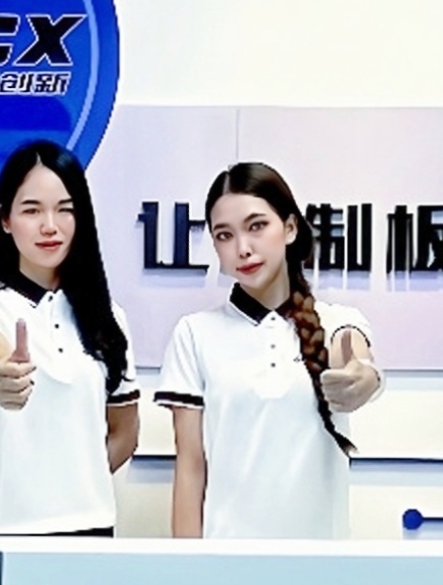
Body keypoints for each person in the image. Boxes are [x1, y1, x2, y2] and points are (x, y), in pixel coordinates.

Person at [157, 162, 383, 540]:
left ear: (290, 228)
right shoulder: (194, 333)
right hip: (227, 560)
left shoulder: (338, 321)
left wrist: (362, 377)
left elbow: (355, 357)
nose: (243, 248)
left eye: (256, 226)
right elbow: (191, 467)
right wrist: (188, 564)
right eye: (224, 235)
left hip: (322, 562)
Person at [0, 140, 139, 536]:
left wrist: (73, 490)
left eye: (65, 209)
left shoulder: (108, 318)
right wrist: (1, 368)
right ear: (5, 219)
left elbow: (125, 431)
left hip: (90, 532)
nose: (50, 225)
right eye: (32, 210)